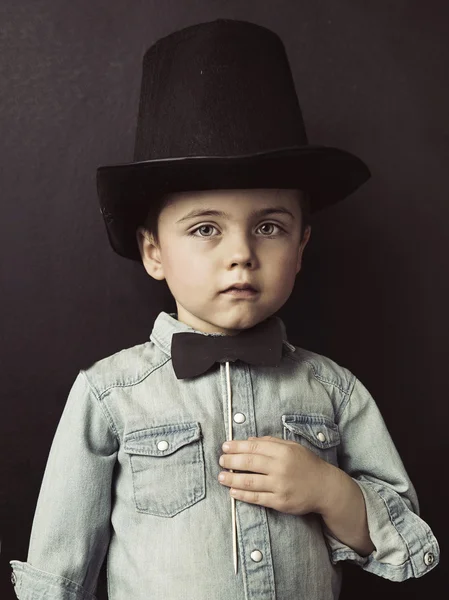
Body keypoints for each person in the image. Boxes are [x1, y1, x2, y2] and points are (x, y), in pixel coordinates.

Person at [10, 18, 439, 600]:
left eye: (268, 226)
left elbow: (410, 545)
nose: (241, 255)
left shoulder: (334, 392)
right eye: (206, 228)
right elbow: (56, 572)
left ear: (302, 246)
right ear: (154, 251)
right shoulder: (109, 394)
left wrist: (328, 491)